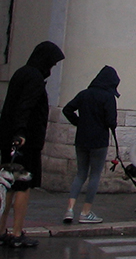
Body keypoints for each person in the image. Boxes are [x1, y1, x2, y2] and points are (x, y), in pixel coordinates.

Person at [0, 40, 65, 248]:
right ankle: (17, 233)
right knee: (22, 187)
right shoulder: (35, 78)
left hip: (9, 139)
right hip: (25, 144)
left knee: (7, 186)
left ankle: (1, 231)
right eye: (52, 64)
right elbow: (25, 107)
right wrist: (21, 133)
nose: (51, 69)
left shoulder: (21, 73)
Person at [62, 65, 120, 225]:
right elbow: (111, 122)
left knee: (80, 174)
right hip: (99, 141)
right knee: (94, 176)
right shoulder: (108, 97)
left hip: (81, 139)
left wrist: (79, 123)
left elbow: (67, 110)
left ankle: (69, 209)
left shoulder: (84, 94)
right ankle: (85, 212)